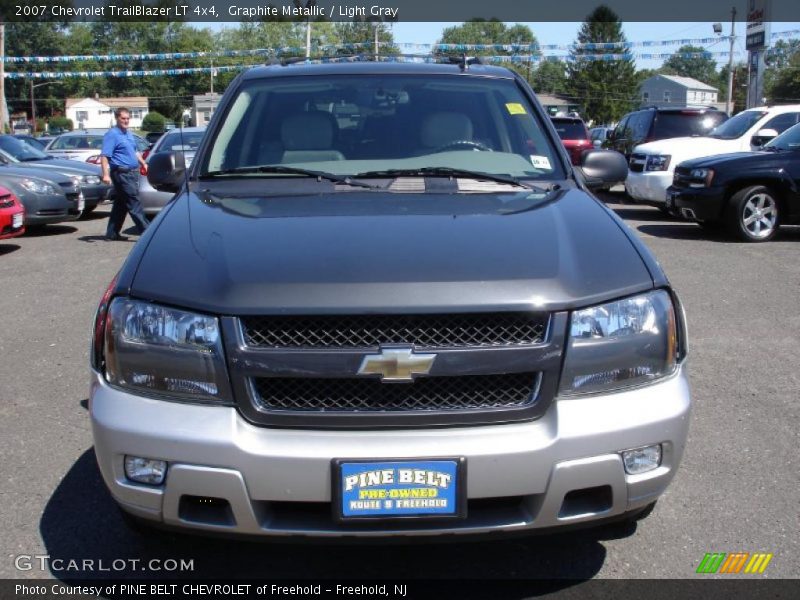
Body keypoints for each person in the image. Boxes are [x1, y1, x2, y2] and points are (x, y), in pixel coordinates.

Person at [100, 108, 149, 241]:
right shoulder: (112, 134)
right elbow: (105, 156)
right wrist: (105, 174)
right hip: (122, 173)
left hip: (132, 173)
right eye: (123, 118)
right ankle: (147, 234)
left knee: (121, 204)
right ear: (117, 118)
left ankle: (112, 233)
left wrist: (143, 163)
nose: (126, 121)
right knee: (134, 203)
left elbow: (135, 151)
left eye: (128, 118)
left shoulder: (128, 133)